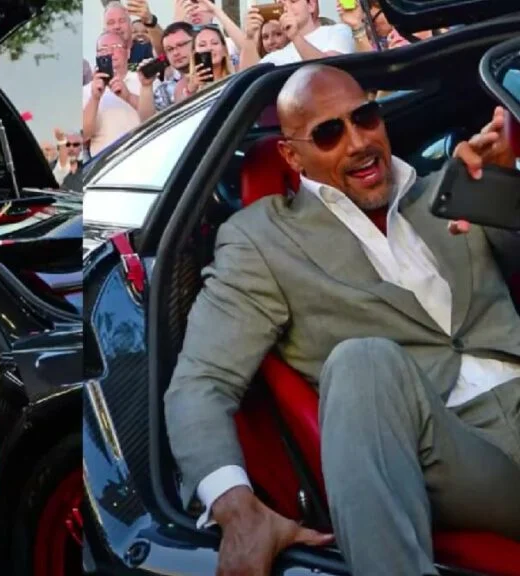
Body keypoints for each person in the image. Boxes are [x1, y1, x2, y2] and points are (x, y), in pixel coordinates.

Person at [164, 64, 520, 575]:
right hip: (461, 454)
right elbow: (200, 382)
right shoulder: (262, 241)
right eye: (329, 133)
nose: (357, 143)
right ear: (292, 155)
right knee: (363, 360)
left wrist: (508, 187)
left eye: (366, 118)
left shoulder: (451, 183)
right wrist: (236, 509)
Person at [240, 0, 354, 68]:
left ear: (311, 5)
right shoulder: (277, 55)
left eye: (293, 1)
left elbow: (331, 69)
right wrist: (249, 38)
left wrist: (295, 36)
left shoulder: (337, 31)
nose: (286, 7)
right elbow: (246, 82)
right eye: (280, 2)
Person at [84, 31, 142, 156]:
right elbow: (84, 135)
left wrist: (129, 97)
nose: (110, 53)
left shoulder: (145, 80)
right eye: (103, 49)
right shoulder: (86, 91)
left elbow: (156, 116)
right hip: (107, 164)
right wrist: (95, 99)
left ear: (128, 53)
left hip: (142, 153)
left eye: (116, 47)